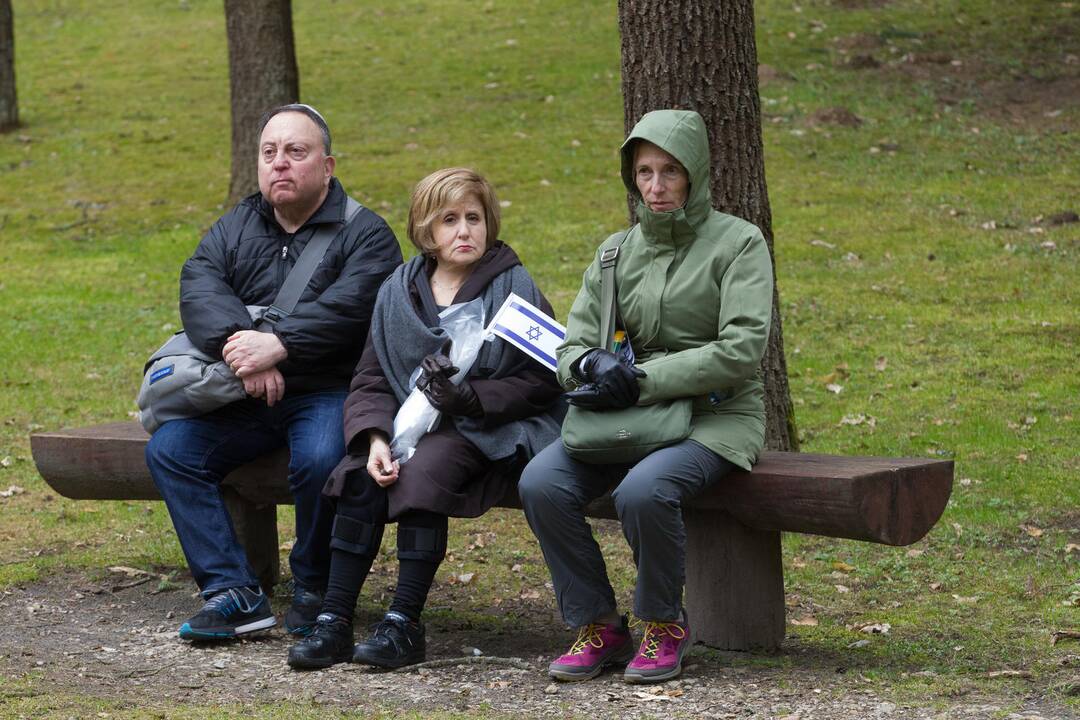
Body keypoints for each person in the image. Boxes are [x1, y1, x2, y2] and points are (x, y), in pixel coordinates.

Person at [518, 109, 774, 684]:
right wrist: (591, 363)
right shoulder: (615, 253)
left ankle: (664, 623)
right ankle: (600, 626)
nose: (656, 188)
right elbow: (570, 349)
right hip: (627, 416)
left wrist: (640, 379)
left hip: (717, 414)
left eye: (670, 173)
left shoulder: (739, 243)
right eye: (644, 173)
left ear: (697, 175)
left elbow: (740, 351)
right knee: (541, 482)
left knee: (644, 490)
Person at [287, 167, 563, 670]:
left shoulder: (514, 286)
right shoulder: (399, 289)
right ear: (426, 230)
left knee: (423, 475)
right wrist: (372, 438)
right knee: (358, 477)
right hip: (403, 427)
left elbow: (544, 380)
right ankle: (334, 619)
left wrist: (471, 398)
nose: (464, 231)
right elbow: (371, 376)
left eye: (474, 218)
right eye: (450, 219)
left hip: (480, 428)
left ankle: (403, 623)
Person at [145, 104, 402, 641]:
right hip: (244, 391)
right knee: (171, 449)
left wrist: (279, 345)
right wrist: (245, 353)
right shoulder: (236, 224)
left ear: (327, 166)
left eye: (295, 152)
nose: (279, 164)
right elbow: (199, 285)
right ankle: (233, 592)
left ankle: (315, 585)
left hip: (328, 389)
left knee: (321, 459)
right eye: (269, 153)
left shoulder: (368, 235)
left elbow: (353, 308)